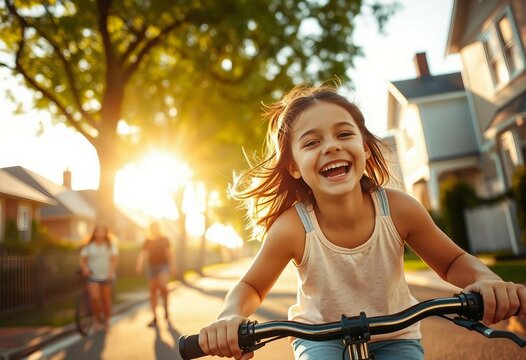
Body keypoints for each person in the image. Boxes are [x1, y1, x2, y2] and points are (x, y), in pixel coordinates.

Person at [197, 84, 526, 360]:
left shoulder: (398, 209)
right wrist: (230, 316)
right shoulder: (293, 227)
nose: (331, 146)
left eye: (343, 133)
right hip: (320, 338)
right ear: (294, 166)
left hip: (396, 334)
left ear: (366, 148)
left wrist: (487, 280)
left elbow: (452, 261)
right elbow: (251, 286)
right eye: (312, 142)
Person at [79, 225, 118, 332]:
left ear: (106, 233)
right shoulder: (88, 246)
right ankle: (96, 319)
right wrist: (85, 268)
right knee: (95, 299)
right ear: (94, 233)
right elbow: (83, 260)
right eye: (98, 232)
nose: (100, 234)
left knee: (106, 300)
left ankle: (106, 320)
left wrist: (110, 272)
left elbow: (114, 261)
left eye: (102, 232)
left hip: (106, 276)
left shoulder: (110, 246)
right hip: (93, 276)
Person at [136, 221, 174, 327]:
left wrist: (173, 265)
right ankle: (155, 317)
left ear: (159, 228)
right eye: (152, 228)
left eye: (156, 227)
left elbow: (169, 252)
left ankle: (166, 311)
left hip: (163, 265)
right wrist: (139, 264)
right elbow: (143, 253)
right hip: (152, 266)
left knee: (162, 286)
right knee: (152, 290)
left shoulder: (164, 239)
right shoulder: (148, 240)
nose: (155, 230)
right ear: (150, 229)